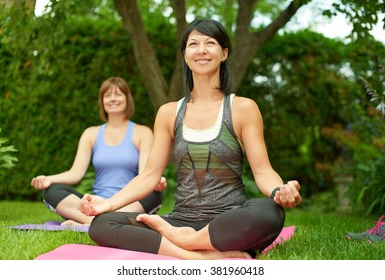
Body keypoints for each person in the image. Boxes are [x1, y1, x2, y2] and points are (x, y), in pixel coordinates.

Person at [78, 19, 302, 259]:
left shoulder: (243, 108)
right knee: (103, 224)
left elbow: (263, 171)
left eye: (210, 43)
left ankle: (188, 241)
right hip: (179, 219)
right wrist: (108, 205)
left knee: (269, 211)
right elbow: (150, 175)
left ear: (224, 53)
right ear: (185, 55)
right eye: (193, 44)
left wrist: (280, 191)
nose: (202, 50)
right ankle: (199, 256)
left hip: (229, 222)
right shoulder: (168, 113)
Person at [31, 77, 165, 226]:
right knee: (52, 191)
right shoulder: (91, 134)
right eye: (107, 95)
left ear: (127, 99)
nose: (112, 99)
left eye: (118, 94)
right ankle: (101, 221)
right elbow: (76, 173)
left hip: (128, 201)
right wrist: (50, 179)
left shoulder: (142, 133)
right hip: (95, 203)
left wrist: (156, 182)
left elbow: (145, 174)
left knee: (153, 193)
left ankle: (91, 222)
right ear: (102, 102)